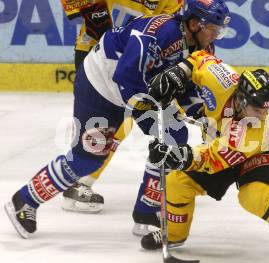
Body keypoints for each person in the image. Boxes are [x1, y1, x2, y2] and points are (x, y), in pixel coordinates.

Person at [4, 1, 230, 239]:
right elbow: (125, 76)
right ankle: (24, 200)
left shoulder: (202, 47)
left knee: (174, 137)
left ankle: (147, 213)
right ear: (194, 24)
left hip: (134, 88)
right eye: (214, 29)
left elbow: (187, 87)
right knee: (88, 157)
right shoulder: (159, 33)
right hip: (100, 85)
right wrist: (152, 110)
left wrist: (202, 116)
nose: (216, 36)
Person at [139, 50, 269, 262]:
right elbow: (199, 58)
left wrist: (178, 155)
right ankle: (174, 235)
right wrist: (176, 74)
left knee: (255, 195)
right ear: (241, 98)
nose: (264, 114)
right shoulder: (222, 79)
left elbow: (213, 159)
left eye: (268, 108)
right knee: (177, 182)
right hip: (223, 142)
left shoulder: (258, 128)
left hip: (268, 149)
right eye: (258, 108)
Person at [60, 0, 186, 215]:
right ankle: (79, 178)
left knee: (128, 119)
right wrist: (91, 12)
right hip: (98, 51)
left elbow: (170, 27)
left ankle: (80, 176)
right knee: (110, 122)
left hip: (134, 56)